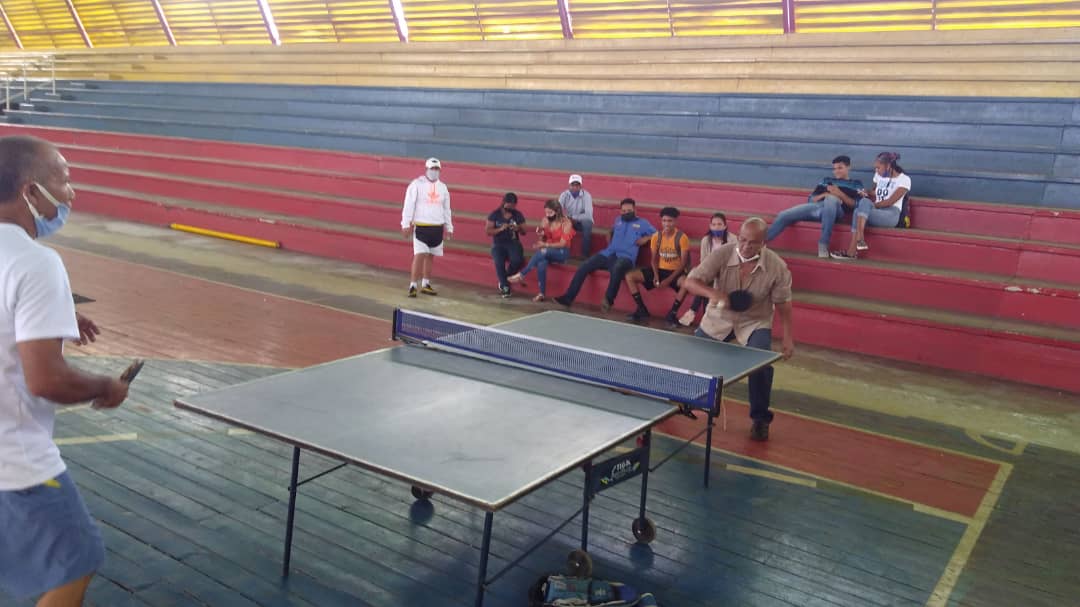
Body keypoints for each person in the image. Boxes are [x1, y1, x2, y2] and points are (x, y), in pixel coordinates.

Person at [0, 134, 131, 607]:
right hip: (15, 461)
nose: (71, 193)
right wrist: (105, 386)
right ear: (31, 191)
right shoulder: (35, 263)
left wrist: (50, 315)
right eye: (64, 179)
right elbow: (48, 380)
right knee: (78, 558)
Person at [684, 217, 794, 442]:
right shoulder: (722, 254)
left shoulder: (777, 267)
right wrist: (714, 294)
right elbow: (690, 282)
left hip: (754, 321)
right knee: (694, 356)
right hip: (720, 318)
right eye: (742, 239)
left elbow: (784, 303)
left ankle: (760, 419)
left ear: (763, 243)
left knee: (760, 366)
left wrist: (788, 337)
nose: (745, 246)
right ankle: (685, 402)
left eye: (752, 242)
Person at [554, 198, 655, 312]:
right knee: (584, 266)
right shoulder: (618, 220)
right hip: (608, 253)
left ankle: (608, 300)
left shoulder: (643, 223)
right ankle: (568, 298)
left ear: (635, 210)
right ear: (620, 211)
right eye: (624, 211)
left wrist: (647, 238)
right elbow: (613, 230)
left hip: (626, 258)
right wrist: (609, 233)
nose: (626, 213)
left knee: (617, 268)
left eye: (629, 210)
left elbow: (658, 234)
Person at [766, 155, 863, 258]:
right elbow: (811, 199)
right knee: (784, 215)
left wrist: (839, 194)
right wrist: (826, 194)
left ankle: (823, 243)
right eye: (834, 169)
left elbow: (856, 205)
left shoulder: (856, 184)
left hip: (837, 212)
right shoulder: (826, 181)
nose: (836, 171)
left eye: (840, 168)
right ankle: (761, 242)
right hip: (817, 208)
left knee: (831, 200)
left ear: (848, 167)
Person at [832, 152, 910, 260]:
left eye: (878, 168)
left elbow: (889, 201)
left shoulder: (904, 179)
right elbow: (874, 192)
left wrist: (870, 205)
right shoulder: (879, 176)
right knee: (859, 208)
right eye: (875, 168)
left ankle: (855, 246)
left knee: (862, 206)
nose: (876, 171)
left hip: (891, 214)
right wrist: (865, 192)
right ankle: (857, 243)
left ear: (888, 166)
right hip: (877, 211)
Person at [624, 207, 691, 322]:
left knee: (686, 283)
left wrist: (668, 280)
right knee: (630, 276)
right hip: (660, 270)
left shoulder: (682, 238)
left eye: (670, 221)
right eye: (664, 221)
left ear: (675, 221)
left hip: (676, 272)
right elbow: (654, 259)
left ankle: (672, 313)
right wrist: (656, 275)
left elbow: (683, 263)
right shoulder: (656, 236)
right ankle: (641, 309)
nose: (666, 224)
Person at [401, 157, 453, 297]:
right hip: (421, 226)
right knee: (419, 255)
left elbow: (446, 208)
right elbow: (408, 204)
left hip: (437, 227)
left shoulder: (443, 187)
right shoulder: (416, 184)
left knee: (430, 256)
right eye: (432, 168)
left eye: (437, 169)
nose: (434, 171)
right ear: (426, 169)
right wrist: (405, 223)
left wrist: (449, 227)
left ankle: (426, 284)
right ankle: (413, 285)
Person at [508, 199, 575, 302]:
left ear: (557, 211)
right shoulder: (545, 220)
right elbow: (542, 240)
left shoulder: (566, 223)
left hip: (562, 251)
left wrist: (545, 245)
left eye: (550, 213)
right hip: (547, 250)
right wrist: (541, 236)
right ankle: (541, 293)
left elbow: (562, 244)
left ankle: (522, 274)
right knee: (541, 262)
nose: (548, 215)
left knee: (543, 252)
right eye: (546, 212)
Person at [670, 212, 729, 328]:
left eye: (719, 224)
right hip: (709, 271)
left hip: (725, 272)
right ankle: (703, 321)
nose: (716, 227)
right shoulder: (706, 240)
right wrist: (709, 273)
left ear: (725, 226)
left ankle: (692, 310)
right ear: (710, 226)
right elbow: (704, 262)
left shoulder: (732, 240)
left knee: (705, 285)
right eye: (714, 224)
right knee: (700, 281)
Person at [486, 192, 526, 298]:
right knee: (499, 261)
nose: (511, 208)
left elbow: (524, 231)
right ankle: (505, 287)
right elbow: (488, 231)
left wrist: (517, 228)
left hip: (513, 242)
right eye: (509, 205)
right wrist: (500, 229)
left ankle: (505, 279)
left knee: (517, 260)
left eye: (513, 206)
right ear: (504, 202)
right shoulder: (495, 214)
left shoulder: (517, 214)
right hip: (498, 243)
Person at [558, 174, 593, 257]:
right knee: (560, 223)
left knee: (587, 224)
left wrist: (573, 217)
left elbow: (588, 215)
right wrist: (565, 218)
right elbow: (557, 210)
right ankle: (563, 253)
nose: (574, 187)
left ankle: (585, 255)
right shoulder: (564, 195)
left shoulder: (587, 196)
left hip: (581, 222)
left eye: (577, 185)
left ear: (580, 186)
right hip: (569, 220)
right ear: (569, 185)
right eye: (572, 185)